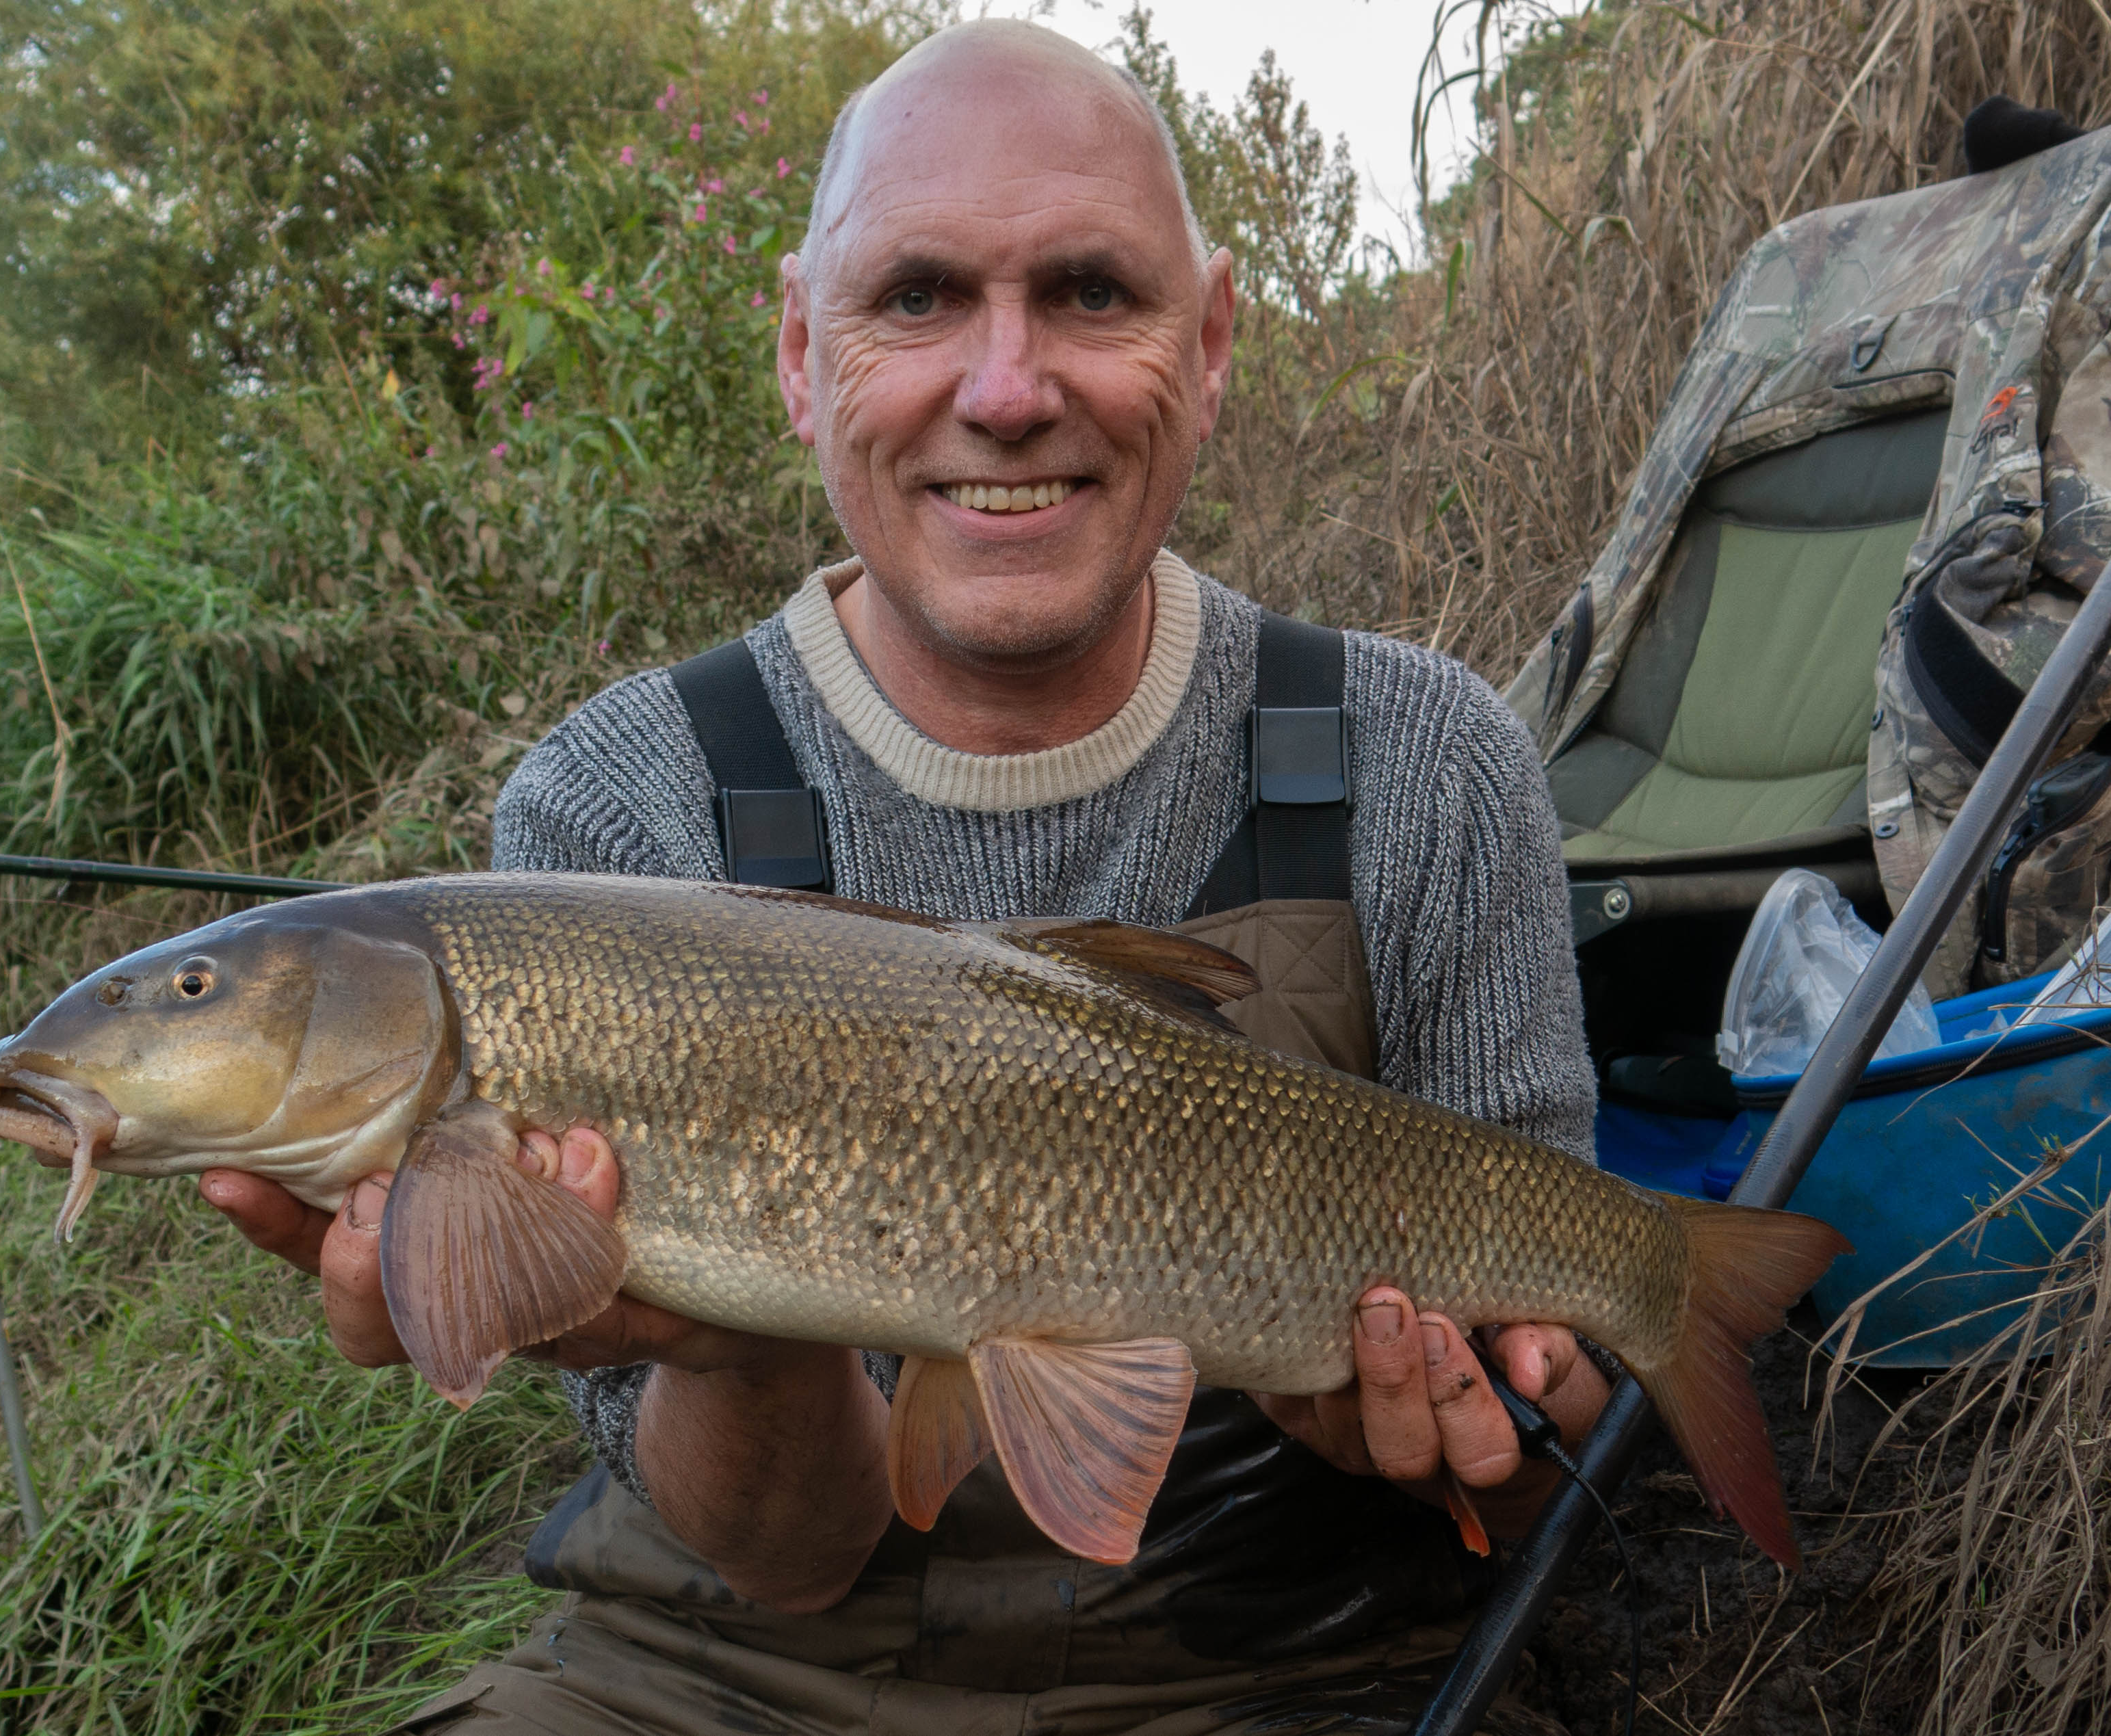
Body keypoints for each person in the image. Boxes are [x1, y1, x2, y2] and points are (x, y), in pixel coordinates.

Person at [203, 20, 1607, 1733]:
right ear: (805, 353)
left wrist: (1448, 1417)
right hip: (740, 1677)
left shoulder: (1429, 753)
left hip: (1296, 1662)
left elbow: (1541, 1478)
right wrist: (729, 1336)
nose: (1007, 390)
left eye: (1093, 293)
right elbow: (778, 1560)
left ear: (1214, 340)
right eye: (920, 297)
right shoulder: (613, 798)